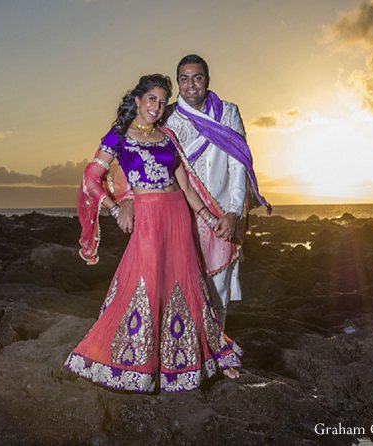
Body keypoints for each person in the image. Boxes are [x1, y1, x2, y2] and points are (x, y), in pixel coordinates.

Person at [64, 74, 242, 393]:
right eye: (151, 100)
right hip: (148, 216)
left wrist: (206, 216)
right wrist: (117, 208)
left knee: (186, 283)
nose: (157, 108)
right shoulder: (118, 136)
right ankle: (138, 361)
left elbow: (184, 184)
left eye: (162, 102)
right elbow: (91, 179)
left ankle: (200, 359)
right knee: (145, 281)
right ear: (137, 100)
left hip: (178, 214)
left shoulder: (167, 135)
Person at [165, 54, 271, 329]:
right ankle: (187, 354)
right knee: (181, 286)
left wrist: (235, 211)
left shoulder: (228, 112)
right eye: (184, 79)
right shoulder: (168, 117)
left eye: (197, 77)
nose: (191, 85)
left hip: (222, 211)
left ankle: (217, 352)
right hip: (181, 213)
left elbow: (239, 163)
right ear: (178, 82)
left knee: (218, 287)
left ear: (207, 80)